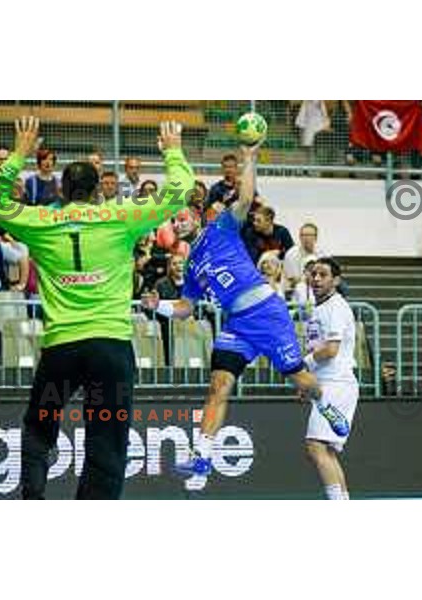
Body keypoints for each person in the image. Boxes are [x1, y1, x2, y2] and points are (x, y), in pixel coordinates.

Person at [0, 117, 194, 499]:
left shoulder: (41, 220)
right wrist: (173, 150)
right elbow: (180, 193)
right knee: (106, 440)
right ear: (98, 191)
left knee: (39, 425)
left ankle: (32, 499)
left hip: (61, 349)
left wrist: (18, 155)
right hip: (110, 349)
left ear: (63, 189)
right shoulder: (121, 216)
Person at [142, 142, 349, 489]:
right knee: (218, 386)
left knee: (302, 382)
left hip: (268, 314)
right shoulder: (191, 266)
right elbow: (185, 309)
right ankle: (202, 456)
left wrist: (249, 159)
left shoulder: (221, 226)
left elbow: (244, 196)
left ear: (196, 216)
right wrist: (156, 306)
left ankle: (327, 405)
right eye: (172, 221)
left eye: (181, 216)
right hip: (237, 324)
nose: (176, 223)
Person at [303, 257, 359, 500]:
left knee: (315, 446)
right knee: (326, 450)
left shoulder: (336, 306)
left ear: (335, 280)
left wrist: (301, 366)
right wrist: (306, 380)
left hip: (336, 385)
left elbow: (330, 351)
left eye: (322, 275)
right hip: (325, 384)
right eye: (313, 274)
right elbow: (317, 349)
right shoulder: (317, 308)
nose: (316, 279)